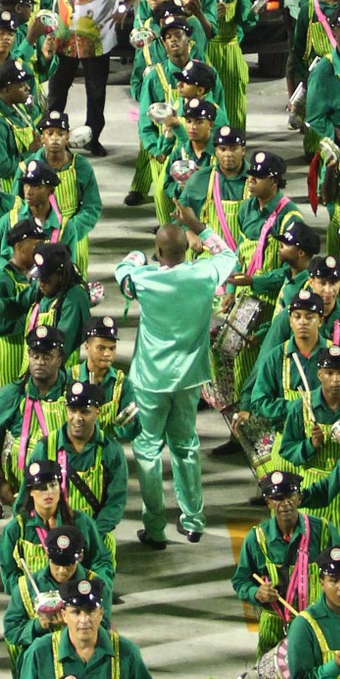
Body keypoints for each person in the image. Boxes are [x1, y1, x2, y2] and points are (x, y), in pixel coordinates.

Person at [115, 225, 236, 547]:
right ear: (187, 248)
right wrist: (202, 229)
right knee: (186, 447)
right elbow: (228, 255)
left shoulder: (145, 279)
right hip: (188, 378)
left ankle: (155, 528)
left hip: (151, 380)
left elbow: (122, 270)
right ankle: (193, 521)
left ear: (159, 252)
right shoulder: (205, 273)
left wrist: (140, 255)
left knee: (148, 451)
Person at [42, 0, 138, 157]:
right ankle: (54, 136)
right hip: (63, 42)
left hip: (97, 43)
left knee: (95, 93)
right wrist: (44, 1)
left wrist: (125, 6)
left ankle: (93, 139)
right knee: (57, 91)